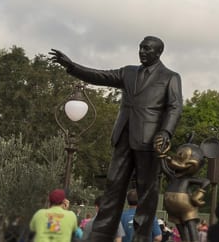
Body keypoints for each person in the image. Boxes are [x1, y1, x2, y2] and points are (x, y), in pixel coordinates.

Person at [50, 37, 182, 242]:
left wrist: (165, 132)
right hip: (123, 136)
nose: (142, 51)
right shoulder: (128, 72)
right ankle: (101, 233)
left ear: (158, 52)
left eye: (147, 49)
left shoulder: (170, 77)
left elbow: (175, 107)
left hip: (149, 141)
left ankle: (141, 235)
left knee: (146, 190)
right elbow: (100, 76)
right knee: (113, 185)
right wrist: (72, 66)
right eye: (140, 47)